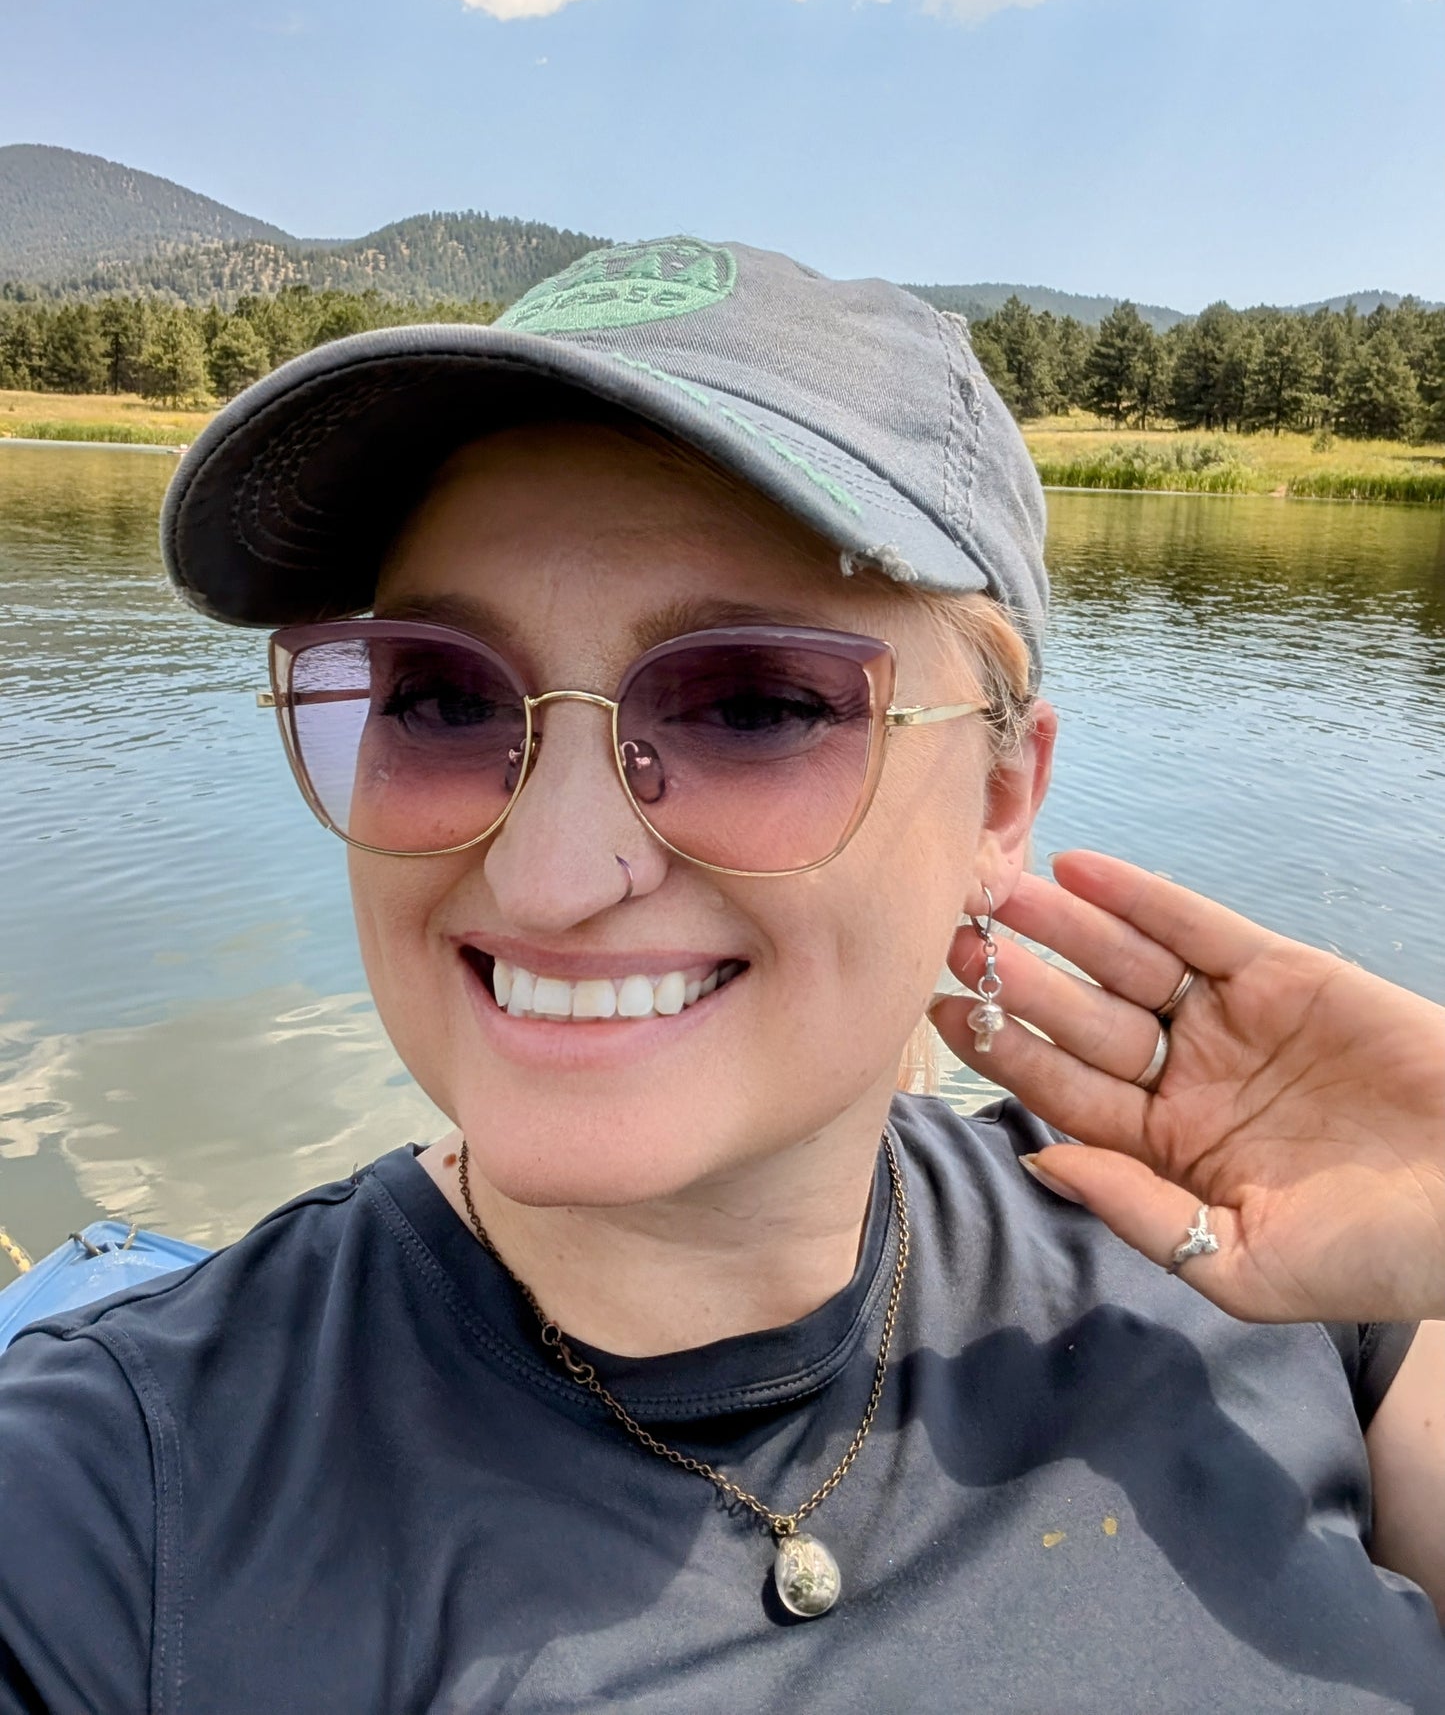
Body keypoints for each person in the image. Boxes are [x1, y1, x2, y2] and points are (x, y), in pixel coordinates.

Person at [1, 236, 1444, 1714]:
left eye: (752, 705)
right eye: (437, 696)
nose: (552, 877)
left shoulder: (1260, 1267)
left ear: (999, 798)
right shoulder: (97, 1511)